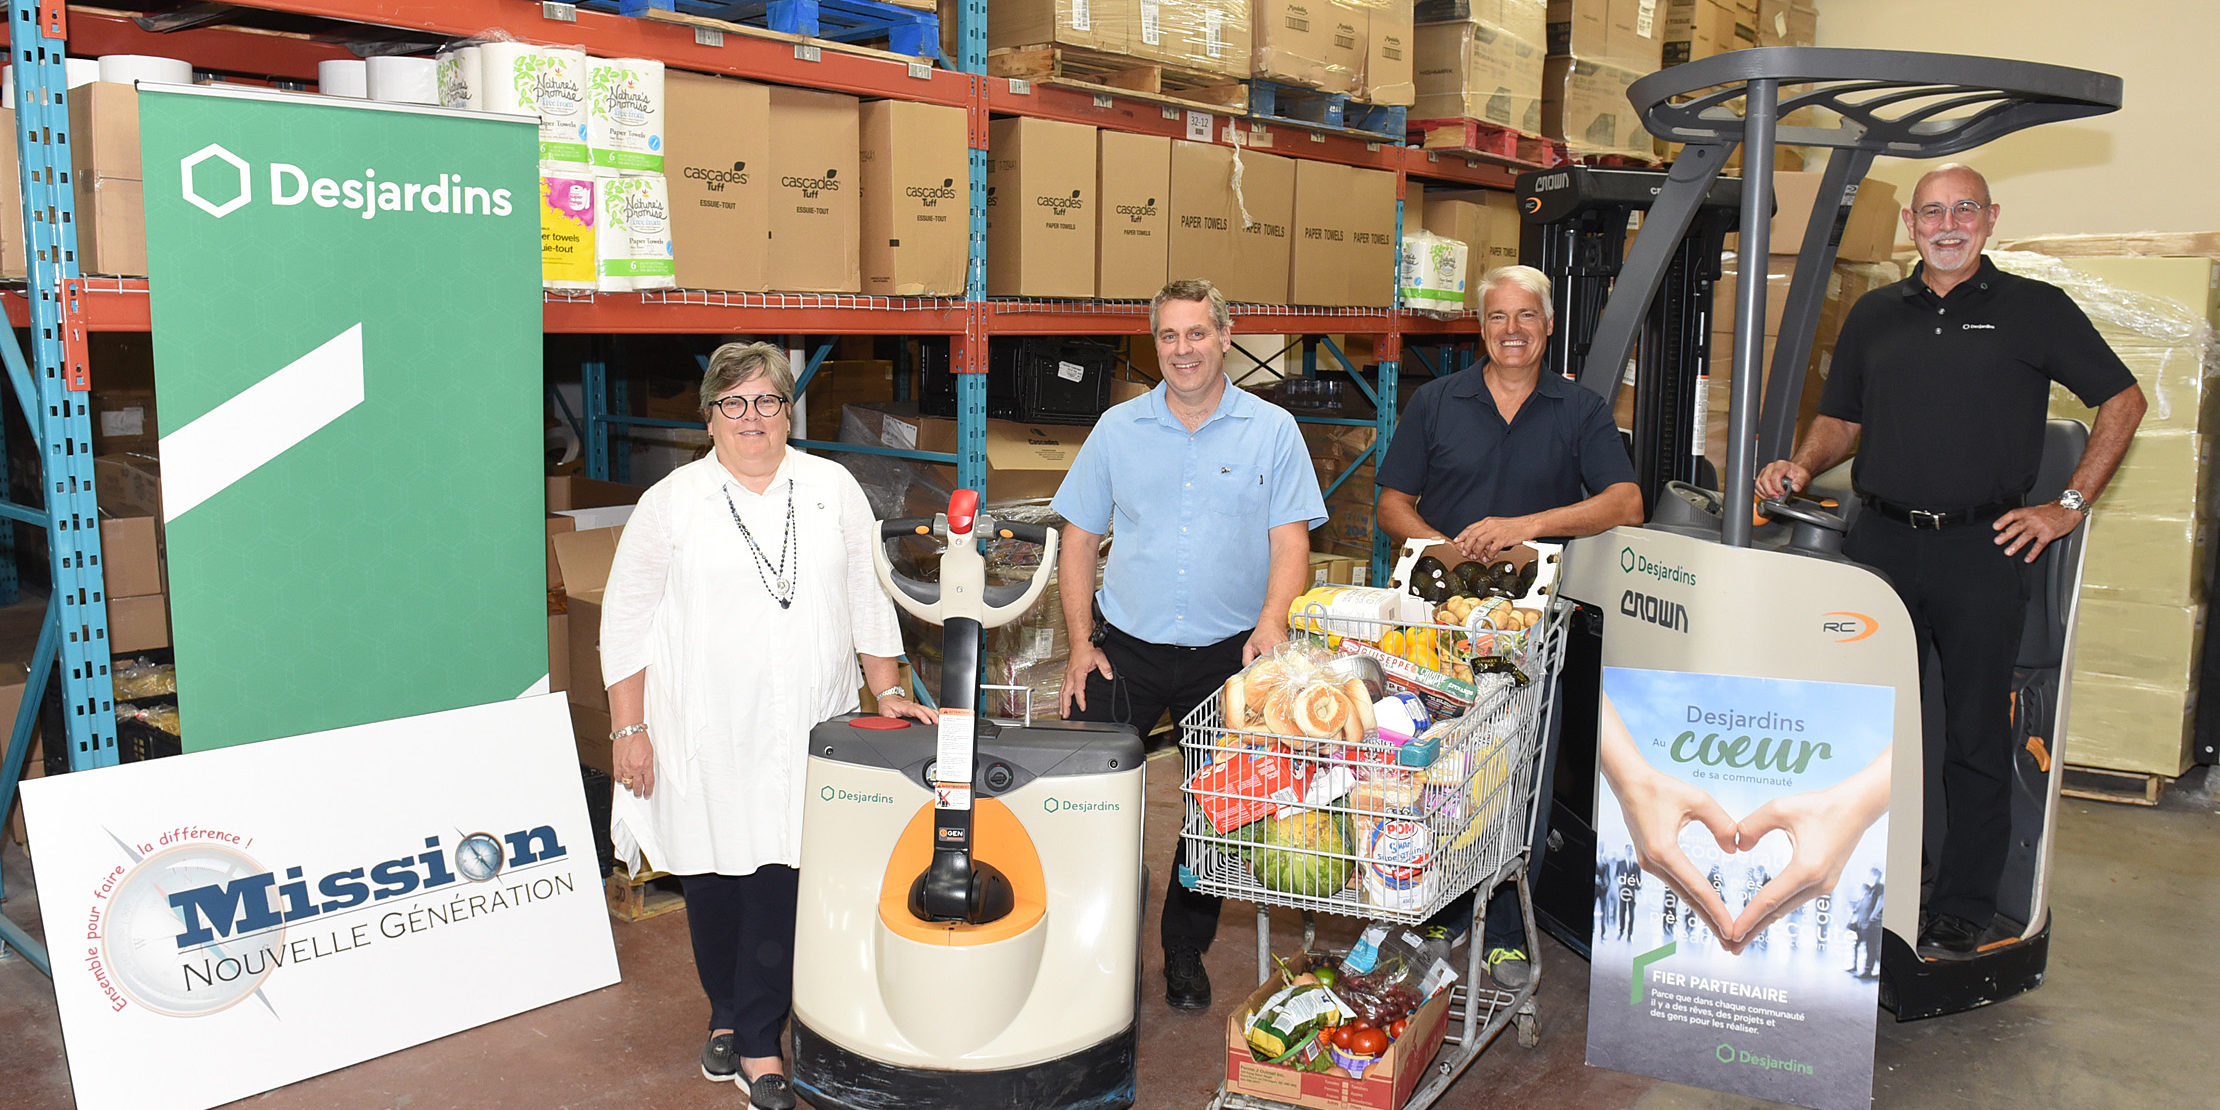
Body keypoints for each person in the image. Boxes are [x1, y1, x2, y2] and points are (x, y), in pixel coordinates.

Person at [1758, 164, 2145, 961]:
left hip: (1982, 547)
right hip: (1882, 544)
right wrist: (1801, 461)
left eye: (1963, 208)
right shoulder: (1874, 314)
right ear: (1909, 223)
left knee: (1972, 734)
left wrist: (2067, 506)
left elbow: (2124, 400)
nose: (1947, 223)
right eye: (1931, 211)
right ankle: (1868, 880)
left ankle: (1963, 904)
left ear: (1990, 218)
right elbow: (1841, 420)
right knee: (1867, 729)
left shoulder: (2034, 310)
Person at [602, 342, 936, 1109]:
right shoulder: (672, 502)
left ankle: (759, 1042)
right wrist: (629, 731)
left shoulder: (831, 487)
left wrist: (885, 692)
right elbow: (625, 623)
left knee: (779, 875)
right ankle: (726, 1011)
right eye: (734, 403)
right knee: (713, 876)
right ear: (710, 415)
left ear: (790, 411)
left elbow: (865, 592)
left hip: (804, 728)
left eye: (767, 402)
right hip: (703, 731)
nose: (751, 418)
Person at [1054, 278, 1327, 1012]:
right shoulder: (1118, 429)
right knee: (1085, 800)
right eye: (1169, 337)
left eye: (1197, 334)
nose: (1183, 350)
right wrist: (1081, 643)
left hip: (1227, 656)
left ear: (1225, 337)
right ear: (1156, 345)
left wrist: (1273, 623)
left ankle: (1183, 949)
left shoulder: (1271, 430)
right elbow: (1077, 538)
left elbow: (1290, 540)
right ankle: (1087, 943)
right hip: (1125, 649)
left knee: (1214, 811)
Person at [1375, 264, 1645, 987]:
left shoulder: (1579, 409)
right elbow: (1391, 503)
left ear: (1548, 326)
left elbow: (1625, 502)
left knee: (1515, 774)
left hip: (1530, 628)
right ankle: (1434, 904)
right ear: (1481, 326)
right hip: (1439, 624)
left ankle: (1499, 925)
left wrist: (1531, 526)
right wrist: (1438, 544)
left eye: (1527, 316)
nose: (1513, 330)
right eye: (1498, 317)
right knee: (1433, 767)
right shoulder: (1436, 402)